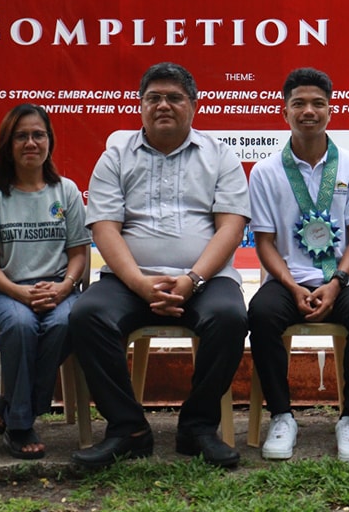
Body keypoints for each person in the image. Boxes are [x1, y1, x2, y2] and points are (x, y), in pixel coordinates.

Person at [68, 62, 250, 468]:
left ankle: (198, 428)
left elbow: (231, 227)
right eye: (153, 98)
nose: (163, 105)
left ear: (194, 105)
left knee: (229, 317)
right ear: (140, 105)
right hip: (128, 279)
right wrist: (139, 283)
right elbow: (105, 228)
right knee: (87, 315)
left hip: (205, 280)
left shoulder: (220, 156)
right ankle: (128, 429)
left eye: (174, 98)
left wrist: (192, 279)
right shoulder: (115, 156)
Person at [247, 67, 349, 463]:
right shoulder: (265, 172)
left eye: (318, 103)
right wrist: (291, 286)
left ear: (330, 110)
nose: (309, 111)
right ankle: (282, 416)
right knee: (261, 313)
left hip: (343, 278)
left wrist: (337, 281)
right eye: (299, 104)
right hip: (287, 281)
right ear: (284, 111)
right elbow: (265, 243)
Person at [0, 104, 90, 460]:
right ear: (7, 144)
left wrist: (65, 286)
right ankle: (21, 424)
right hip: (6, 290)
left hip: (59, 288)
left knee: (68, 322)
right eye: (21, 136)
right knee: (22, 325)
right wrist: (20, 293)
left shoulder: (66, 191)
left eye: (38, 135)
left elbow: (79, 254)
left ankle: (11, 408)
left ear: (49, 141)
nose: (31, 143)